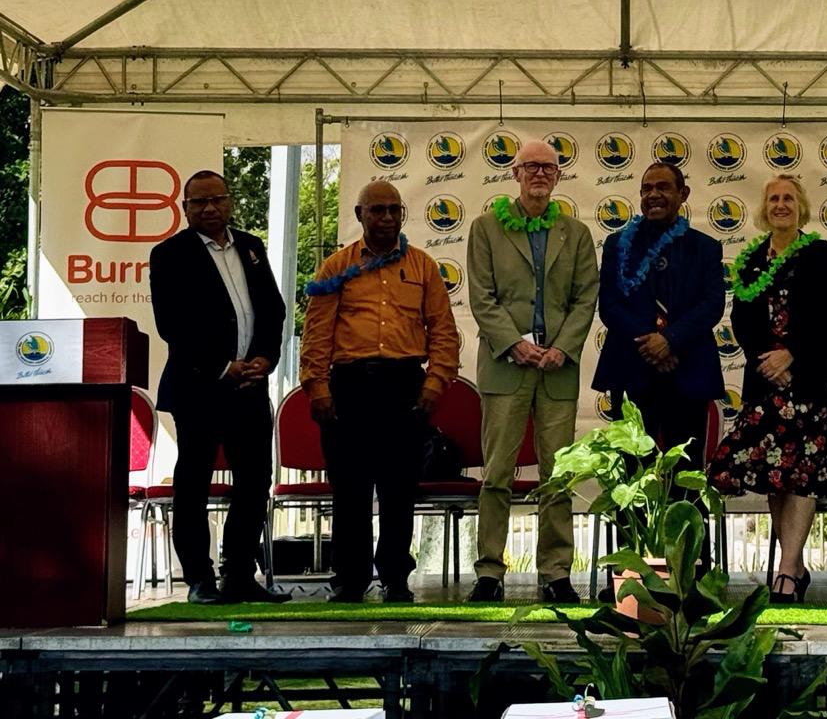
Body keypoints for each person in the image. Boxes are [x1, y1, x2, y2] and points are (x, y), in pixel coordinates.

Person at [301, 180, 461, 603]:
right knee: (350, 489)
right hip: (349, 387)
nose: (387, 218)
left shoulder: (424, 267)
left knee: (398, 488)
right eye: (377, 210)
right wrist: (317, 388)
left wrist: (434, 383)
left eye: (394, 210)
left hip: (404, 386)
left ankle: (395, 577)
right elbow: (316, 335)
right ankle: (350, 580)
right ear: (359, 216)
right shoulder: (336, 268)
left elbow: (444, 332)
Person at [466, 139, 599, 605]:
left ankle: (555, 572)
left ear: (558, 177)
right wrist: (516, 345)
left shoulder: (577, 234)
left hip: (558, 370)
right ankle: (489, 571)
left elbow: (586, 298)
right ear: (515, 174)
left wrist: (562, 347)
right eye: (531, 167)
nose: (539, 174)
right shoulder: (485, 228)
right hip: (506, 367)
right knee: (497, 473)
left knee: (557, 475)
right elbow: (482, 297)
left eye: (548, 168)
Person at [148, 169, 290, 604]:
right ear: (184, 208)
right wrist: (221, 366)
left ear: (230, 203)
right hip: (200, 387)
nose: (209, 209)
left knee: (254, 481)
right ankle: (199, 579)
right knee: (194, 482)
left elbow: (272, 309)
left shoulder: (250, 247)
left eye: (217, 200)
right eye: (198, 203)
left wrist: (266, 357)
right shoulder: (170, 254)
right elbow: (172, 323)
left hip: (249, 386)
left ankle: (240, 574)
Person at [709, 175, 827, 602]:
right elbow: (742, 321)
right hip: (765, 381)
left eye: (788, 198)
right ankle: (795, 564)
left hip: (807, 381)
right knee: (775, 476)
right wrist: (770, 360)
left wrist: (793, 356)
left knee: (801, 474)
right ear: (764, 209)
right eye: (773, 199)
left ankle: (785, 571)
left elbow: (825, 316)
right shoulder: (751, 261)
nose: (780, 205)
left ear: (800, 207)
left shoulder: (820, 254)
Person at [592, 161, 724, 466]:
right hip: (631, 369)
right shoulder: (617, 245)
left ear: (683, 193)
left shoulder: (705, 248)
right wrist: (651, 343)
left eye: (663, 187)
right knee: (632, 471)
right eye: (647, 188)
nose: (654, 194)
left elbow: (712, 303)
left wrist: (670, 340)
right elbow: (610, 304)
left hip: (688, 369)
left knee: (685, 472)